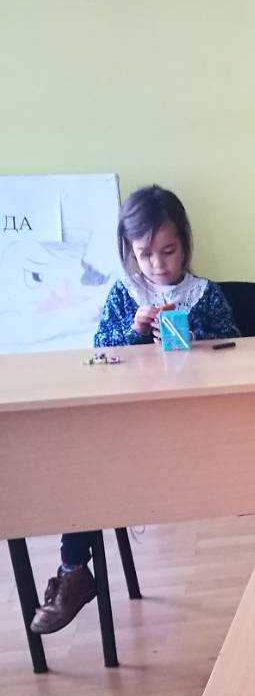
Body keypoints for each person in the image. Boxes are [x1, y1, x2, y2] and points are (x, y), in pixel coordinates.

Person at [29, 185, 240, 635]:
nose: (158, 264)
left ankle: (73, 571)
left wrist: (195, 338)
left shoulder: (204, 294)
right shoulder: (124, 294)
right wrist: (135, 333)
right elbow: (101, 354)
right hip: (134, 429)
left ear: (184, 244)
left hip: (199, 425)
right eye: (146, 254)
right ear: (130, 251)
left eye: (168, 251)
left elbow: (235, 346)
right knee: (87, 462)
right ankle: (73, 570)